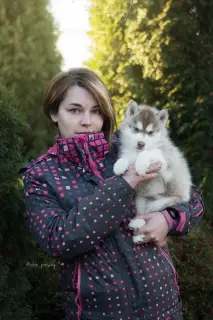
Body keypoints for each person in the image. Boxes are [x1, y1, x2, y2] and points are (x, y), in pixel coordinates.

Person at [22, 68, 204, 320]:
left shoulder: (127, 146)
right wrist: (126, 182)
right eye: (75, 110)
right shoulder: (42, 174)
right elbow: (59, 240)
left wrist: (168, 219)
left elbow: (191, 198)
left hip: (164, 307)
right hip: (97, 312)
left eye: (96, 111)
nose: (87, 121)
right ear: (54, 112)